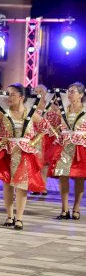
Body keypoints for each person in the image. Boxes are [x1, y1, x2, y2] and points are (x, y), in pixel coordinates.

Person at [0, 84, 48, 230]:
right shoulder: (2, 112)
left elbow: (45, 127)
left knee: (22, 186)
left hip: (24, 153)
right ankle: (10, 216)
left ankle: (19, 218)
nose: (9, 97)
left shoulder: (31, 113)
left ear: (21, 97)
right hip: (8, 152)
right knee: (8, 184)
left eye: (12, 94)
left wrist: (32, 142)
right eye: (8, 94)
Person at [49, 82, 86, 219]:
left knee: (79, 178)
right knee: (63, 177)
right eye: (69, 91)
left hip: (81, 147)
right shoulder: (63, 109)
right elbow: (50, 123)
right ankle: (64, 209)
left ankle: (76, 208)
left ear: (81, 95)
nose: (69, 94)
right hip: (64, 146)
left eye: (73, 91)